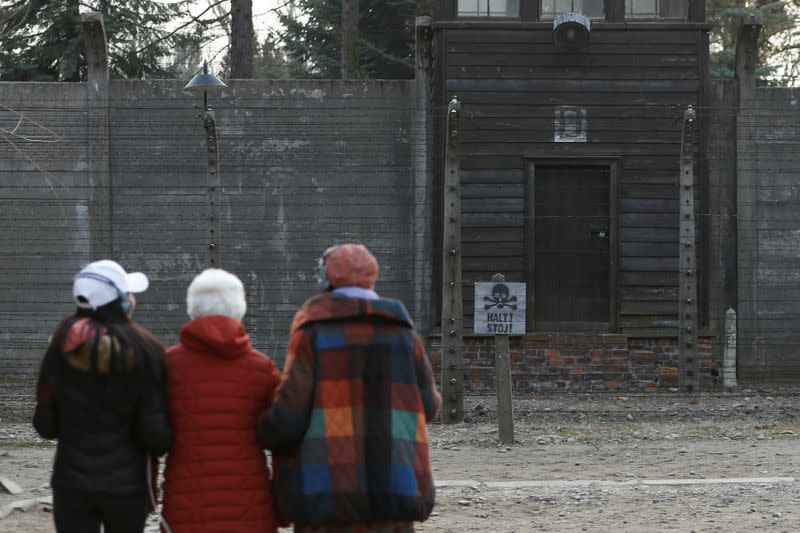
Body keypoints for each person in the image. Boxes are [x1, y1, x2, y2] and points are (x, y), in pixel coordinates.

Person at [257, 243, 442, 533]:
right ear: (373, 278)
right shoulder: (404, 334)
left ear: (325, 279)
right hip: (394, 488)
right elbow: (428, 407)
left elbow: (289, 418)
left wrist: (262, 429)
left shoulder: (312, 332)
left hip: (327, 493)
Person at [33, 259, 172, 533]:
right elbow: (156, 436)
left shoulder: (61, 342)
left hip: (71, 484)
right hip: (127, 486)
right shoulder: (147, 349)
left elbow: (45, 426)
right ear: (119, 301)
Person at [162, 268, 281, 533]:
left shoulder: (168, 366)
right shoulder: (262, 368)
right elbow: (281, 439)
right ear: (239, 308)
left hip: (185, 505)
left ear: (192, 308)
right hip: (251, 506)